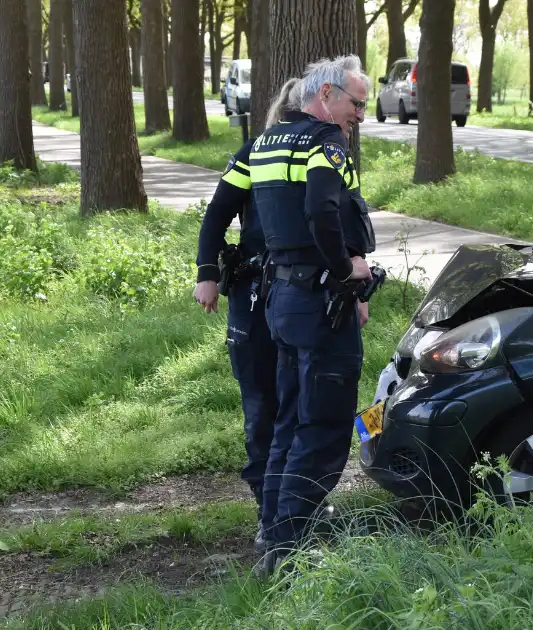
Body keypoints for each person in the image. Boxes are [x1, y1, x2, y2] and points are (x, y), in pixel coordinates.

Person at [249, 54, 375, 577]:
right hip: (322, 306)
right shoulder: (327, 142)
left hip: (283, 301)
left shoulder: (267, 141)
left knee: (288, 424)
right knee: (321, 431)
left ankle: (273, 537)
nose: (361, 116)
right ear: (326, 96)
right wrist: (346, 268)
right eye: (356, 103)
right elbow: (322, 209)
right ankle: (291, 554)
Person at [193, 77, 305, 554]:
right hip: (256, 295)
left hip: (304, 298)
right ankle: (268, 509)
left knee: (303, 404)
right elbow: (217, 216)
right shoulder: (253, 154)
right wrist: (207, 273)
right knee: (262, 405)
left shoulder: (323, 155)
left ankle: (299, 503)